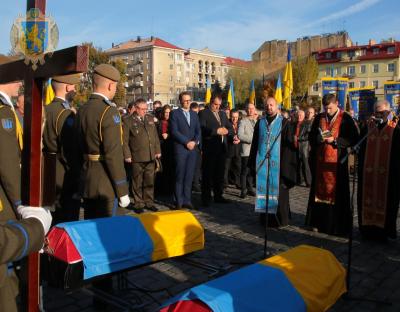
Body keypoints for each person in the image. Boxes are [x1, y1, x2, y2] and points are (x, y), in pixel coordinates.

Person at [76, 64, 130, 219]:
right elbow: (113, 154)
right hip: (107, 183)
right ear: (110, 85)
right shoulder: (108, 111)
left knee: (91, 229)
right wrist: (122, 189)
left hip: (88, 179)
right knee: (109, 234)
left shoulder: (82, 109)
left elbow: (77, 148)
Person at [306, 93, 359, 236]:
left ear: (337, 104)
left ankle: (336, 226)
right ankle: (318, 223)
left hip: (338, 164)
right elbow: (311, 137)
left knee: (338, 195)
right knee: (318, 193)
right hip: (321, 163)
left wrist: (335, 141)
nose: (327, 111)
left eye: (329, 108)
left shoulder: (345, 118)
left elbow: (353, 138)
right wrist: (318, 138)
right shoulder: (319, 117)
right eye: (325, 108)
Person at [248, 97, 297, 226]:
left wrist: (285, 167)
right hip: (263, 163)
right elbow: (255, 143)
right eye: (267, 105)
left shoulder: (284, 123)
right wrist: (252, 162)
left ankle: (280, 219)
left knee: (279, 193)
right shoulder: (260, 122)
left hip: (279, 164)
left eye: (271, 105)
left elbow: (288, 147)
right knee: (264, 191)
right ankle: (265, 219)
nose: (269, 107)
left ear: (277, 106)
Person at [357, 100, 400, 240]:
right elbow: (360, 147)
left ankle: (384, 231)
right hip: (369, 174)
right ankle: (367, 229)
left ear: (389, 111)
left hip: (388, 175)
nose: (378, 114)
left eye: (381, 112)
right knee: (367, 199)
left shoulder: (396, 127)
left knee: (387, 201)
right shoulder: (369, 127)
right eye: (376, 111)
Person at [42, 74, 81, 223]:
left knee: (49, 218)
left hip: (46, 168)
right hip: (64, 174)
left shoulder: (46, 109)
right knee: (66, 219)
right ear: (66, 87)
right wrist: (78, 176)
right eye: (74, 87)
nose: (75, 90)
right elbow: (70, 151)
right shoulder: (65, 114)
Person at [123, 98, 161, 212]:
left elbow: (155, 136)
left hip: (150, 155)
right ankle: (138, 203)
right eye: (143, 109)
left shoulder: (149, 118)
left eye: (146, 108)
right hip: (136, 156)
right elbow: (124, 140)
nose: (145, 111)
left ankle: (149, 202)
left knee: (149, 180)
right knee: (137, 181)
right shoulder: (128, 120)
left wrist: (157, 150)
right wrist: (127, 155)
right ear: (136, 108)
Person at [199, 94, 233, 206]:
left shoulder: (223, 114)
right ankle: (206, 198)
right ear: (210, 102)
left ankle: (218, 195)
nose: (217, 107)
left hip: (222, 149)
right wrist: (216, 131)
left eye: (219, 105)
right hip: (210, 148)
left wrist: (227, 132)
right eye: (215, 104)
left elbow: (230, 127)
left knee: (220, 174)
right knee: (208, 174)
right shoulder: (204, 113)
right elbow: (202, 128)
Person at [169, 92, 201, 209]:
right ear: (180, 101)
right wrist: (186, 142)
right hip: (181, 149)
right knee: (180, 176)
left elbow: (198, 131)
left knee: (189, 176)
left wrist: (195, 141)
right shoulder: (174, 114)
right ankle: (178, 201)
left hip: (192, 150)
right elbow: (174, 131)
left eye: (189, 100)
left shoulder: (194, 114)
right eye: (185, 100)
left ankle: (187, 200)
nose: (187, 102)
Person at [238, 103, 258, 198]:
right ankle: (243, 190)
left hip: (256, 151)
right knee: (245, 171)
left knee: (252, 171)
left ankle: (250, 188)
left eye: (252, 108)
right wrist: (253, 140)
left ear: (255, 110)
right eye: (248, 109)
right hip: (246, 150)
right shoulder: (243, 121)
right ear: (246, 110)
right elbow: (240, 135)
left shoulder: (258, 121)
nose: (250, 110)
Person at [156, 104, 174, 195]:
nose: (167, 114)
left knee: (169, 169)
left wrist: (169, 135)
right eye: (165, 112)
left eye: (169, 112)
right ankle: (160, 189)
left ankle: (168, 190)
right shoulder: (159, 123)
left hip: (170, 148)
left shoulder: (173, 123)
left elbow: (175, 134)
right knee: (160, 170)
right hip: (161, 148)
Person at [297, 107, 314, 187]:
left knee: (305, 163)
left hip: (305, 145)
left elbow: (309, 135)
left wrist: (299, 138)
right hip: (299, 144)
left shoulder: (312, 122)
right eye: (308, 112)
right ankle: (300, 180)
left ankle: (309, 181)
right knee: (299, 164)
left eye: (311, 112)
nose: (309, 114)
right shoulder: (303, 122)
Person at [224, 110, 241, 188]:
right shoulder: (226, 123)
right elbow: (226, 134)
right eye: (233, 117)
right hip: (228, 149)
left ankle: (237, 182)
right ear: (230, 116)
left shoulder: (241, 124)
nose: (234, 119)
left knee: (237, 167)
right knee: (226, 168)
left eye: (236, 117)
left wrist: (239, 139)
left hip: (238, 150)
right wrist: (233, 138)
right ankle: (224, 184)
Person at [190, 102, 202, 192]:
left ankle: (196, 183)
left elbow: (200, 135)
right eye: (193, 112)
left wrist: (201, 148)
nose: (195, 114)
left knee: (197, 167)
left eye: (196, 112)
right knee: (190, 166)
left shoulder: (199, 120)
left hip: (198, 147)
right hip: (189, 146)